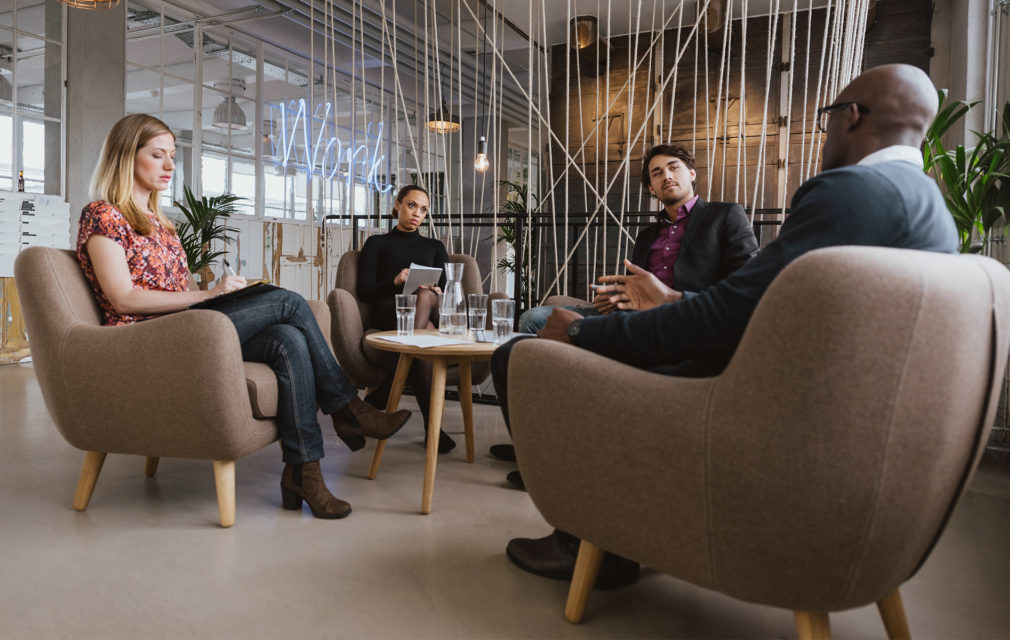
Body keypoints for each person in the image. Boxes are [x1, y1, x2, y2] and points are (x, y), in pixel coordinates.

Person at [493, 63, 958, 588]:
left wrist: (581, 333)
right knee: (549, 322)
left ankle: (584, 539)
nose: (665, 177)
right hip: (823, 412)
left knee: (519, 353)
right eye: (655, 173)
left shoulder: (851, 192)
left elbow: (731, 313)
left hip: (743, 400)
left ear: (850, 117)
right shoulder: (926, 205)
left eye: (826, 118)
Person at [76, 114, 410, 520]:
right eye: (157, 155)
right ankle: (347, 409)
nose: (169, 166)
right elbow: (124, 299)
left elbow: (174, 294)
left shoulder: (162, 225)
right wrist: (210, 294)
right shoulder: (103, 215)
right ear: (127, 157)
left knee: (288, 338)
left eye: (172, 156)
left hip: (186, 326)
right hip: (148, 343)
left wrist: (218, 291)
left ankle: (304, 473)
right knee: (288, 302)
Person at [492, 144, 759, 484]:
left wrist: (672, 299)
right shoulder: (648, 235)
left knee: (529, 343)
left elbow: (746, 288)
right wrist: (614, 299)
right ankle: (532, 444)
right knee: (533, 320)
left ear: (691, 174)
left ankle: (549, 451)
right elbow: (635, 286)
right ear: (651, 188)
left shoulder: (724, 215)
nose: (667, 176)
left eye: (674, 168)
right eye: (657, 173)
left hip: (677, 319)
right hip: (627, 314)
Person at [357, 185, 458, 454]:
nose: (417, 213)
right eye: (412, 205)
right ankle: (432, 429)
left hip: (430, 306)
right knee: (423, 328)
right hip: (393, 308)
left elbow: (446, 291)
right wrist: (395, 280)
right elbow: (364, 291)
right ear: (397, 205)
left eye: (423, 209)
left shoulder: (435, 246)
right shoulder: (376, 243)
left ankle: (390, 385)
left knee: (425, 296)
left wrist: (436, 290)